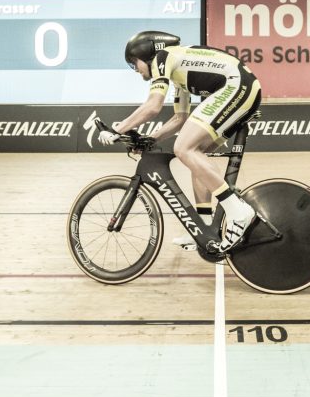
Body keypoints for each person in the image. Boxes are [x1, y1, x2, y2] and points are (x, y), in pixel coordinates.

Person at [99, 31, 263, 252]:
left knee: (183, 148)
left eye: (134, 63)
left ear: (145, 54)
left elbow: (153, 106)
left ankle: (238, 212)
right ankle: (205, 227)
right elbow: (179, 118)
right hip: (242, 88)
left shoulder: (162, 58)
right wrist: (150, 139)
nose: (136, 70)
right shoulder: (179, 71)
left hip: (236, 86)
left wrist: (118, 128)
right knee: (195, 152)